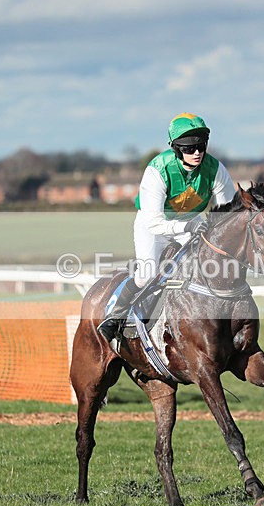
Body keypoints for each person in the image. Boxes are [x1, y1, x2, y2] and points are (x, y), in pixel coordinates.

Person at [97, 113, 237, 342]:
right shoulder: (157, 169)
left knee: (211, 265)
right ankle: (115, 316)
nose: (197, 153)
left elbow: (227, 213)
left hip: (191, 224)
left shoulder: (215, 169)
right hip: (152, 226)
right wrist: (188, 227)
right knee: (148, 274)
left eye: (201, 146)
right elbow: (154, 221)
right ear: (176, 148)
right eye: (189, 149)